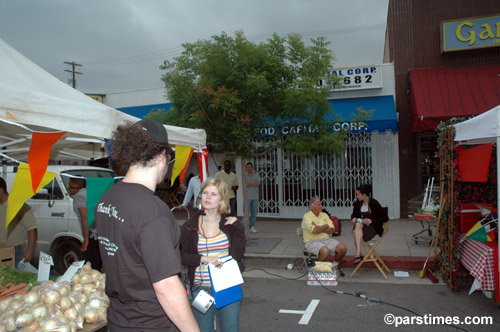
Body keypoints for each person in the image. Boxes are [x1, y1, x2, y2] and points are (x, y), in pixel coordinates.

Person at [95, 119, 199, 332]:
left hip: (118, 322)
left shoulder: (107, 199)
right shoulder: (153, 212)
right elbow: (166, 288)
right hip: (152, 324)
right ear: (161, 156)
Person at [180, 178, 245, 332]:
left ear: (222, 199)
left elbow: (238, 255)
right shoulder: (189, 226)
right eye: (205, 193)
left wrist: (239, 228)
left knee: (230, 329)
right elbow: (181, 256)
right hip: (200, 288)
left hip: (227, 286)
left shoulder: (229, 225)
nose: (208, 197)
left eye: (213, 194)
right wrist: (203, 258)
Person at [301, 196, 347, 276]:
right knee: (325, 251)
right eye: (318, 205)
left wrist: (320, 227)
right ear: (312, 207)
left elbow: (332, 230)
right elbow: (314, 231)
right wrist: (325, 226)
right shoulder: (307, 217)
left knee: (343, 248)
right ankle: (319, 270)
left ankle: (334, 265)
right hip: (312, 241)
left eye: (321, 204)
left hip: (326, 239)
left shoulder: (324, 215)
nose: (321, 206)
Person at [0, 176, 37, 267]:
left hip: (13, 252)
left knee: (13, 279)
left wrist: (30, 251)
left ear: (1, 190)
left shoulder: (19, 206)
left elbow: (32, 229)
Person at [68, 177, 102, 271]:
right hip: (101, 233)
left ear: (76, 186)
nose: (68, 188)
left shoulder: (79, 196)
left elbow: (84, 217)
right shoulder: (91, 193)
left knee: (93, 266)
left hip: (92, 234)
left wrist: (86, 240)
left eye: (70, 186)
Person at [350, 183, 388, 264]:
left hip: (373, 227)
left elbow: (385, 218)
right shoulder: (358, 203)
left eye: (358, 194)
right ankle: (358, 254)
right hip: (362, 227)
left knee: (355, 232)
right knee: (357, 226)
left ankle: (358, 254)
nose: (357, 196)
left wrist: (372, 221)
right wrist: (353, 218)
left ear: (364, 195)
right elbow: (354, 214)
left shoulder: (374, 203)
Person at [245, 162, 261, 233]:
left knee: (254, 213)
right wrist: (254, 183)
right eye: (247, 167)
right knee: (246, 213)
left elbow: (258, 183)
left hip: (255, 197)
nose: (249, 168)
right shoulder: (245, 176)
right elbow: (246, 184)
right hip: (247, 197)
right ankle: (245, 227)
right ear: (246, 168)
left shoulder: (256, 174)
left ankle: (252, 227)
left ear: (252, 167)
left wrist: (250, 183)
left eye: (250, 167)